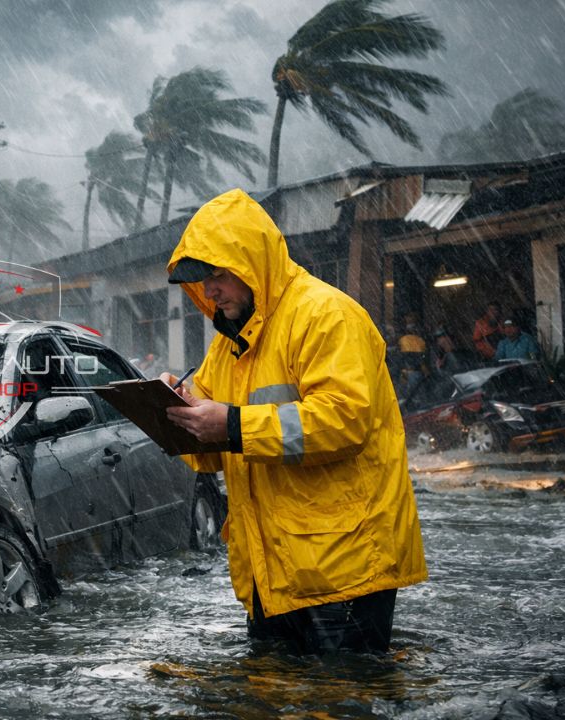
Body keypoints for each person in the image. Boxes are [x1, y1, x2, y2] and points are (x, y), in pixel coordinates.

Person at [159, 188, 427, 655]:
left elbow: (345, 421)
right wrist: (178, 414)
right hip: (271, 572)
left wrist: (233, 426)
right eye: (201, 281)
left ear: (252, 264)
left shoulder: (327, 316)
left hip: (344, 568)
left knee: (343, 701)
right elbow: (211, 457)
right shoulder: (228, 346)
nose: (209, 291)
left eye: (218, 275)